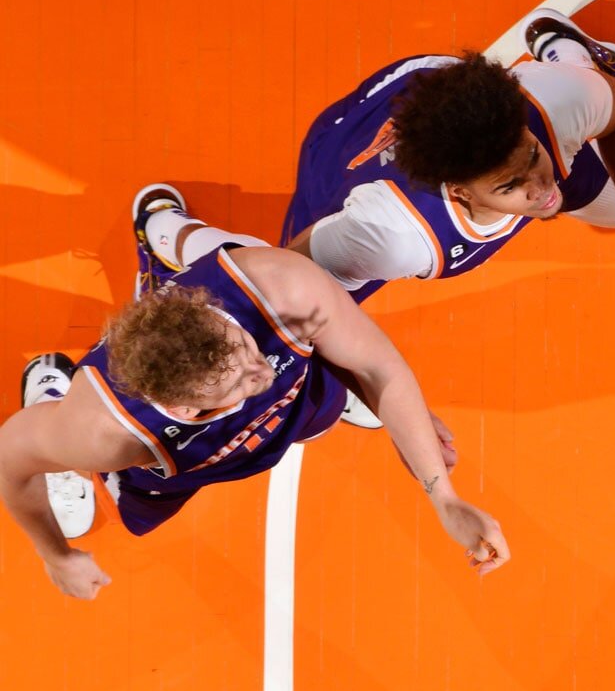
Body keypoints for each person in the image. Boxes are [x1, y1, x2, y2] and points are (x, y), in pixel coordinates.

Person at [134, 9, 615, 425]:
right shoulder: (387, 236)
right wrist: (368, 382)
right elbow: (278, 281)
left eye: (531, 157)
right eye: (511, 185)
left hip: (430, 86)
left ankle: (564, 48)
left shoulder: (547, 105)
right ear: (460, 190)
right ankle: (162, 228)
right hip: (342, 156)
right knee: (276, 289)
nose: (541, 188)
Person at [0, 241, 509, 600]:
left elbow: (378, 365)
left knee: (326, 401)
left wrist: (442, 494)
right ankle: (52, 390)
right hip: (177, 457)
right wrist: (57, 555)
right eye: (239, 381)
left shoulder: (284, 288)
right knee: (133, 515)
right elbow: (10, 458)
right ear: (183, 408)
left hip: (282, 410)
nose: (260, 369)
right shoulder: (108, 434)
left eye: (244, 348)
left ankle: (162, 241)